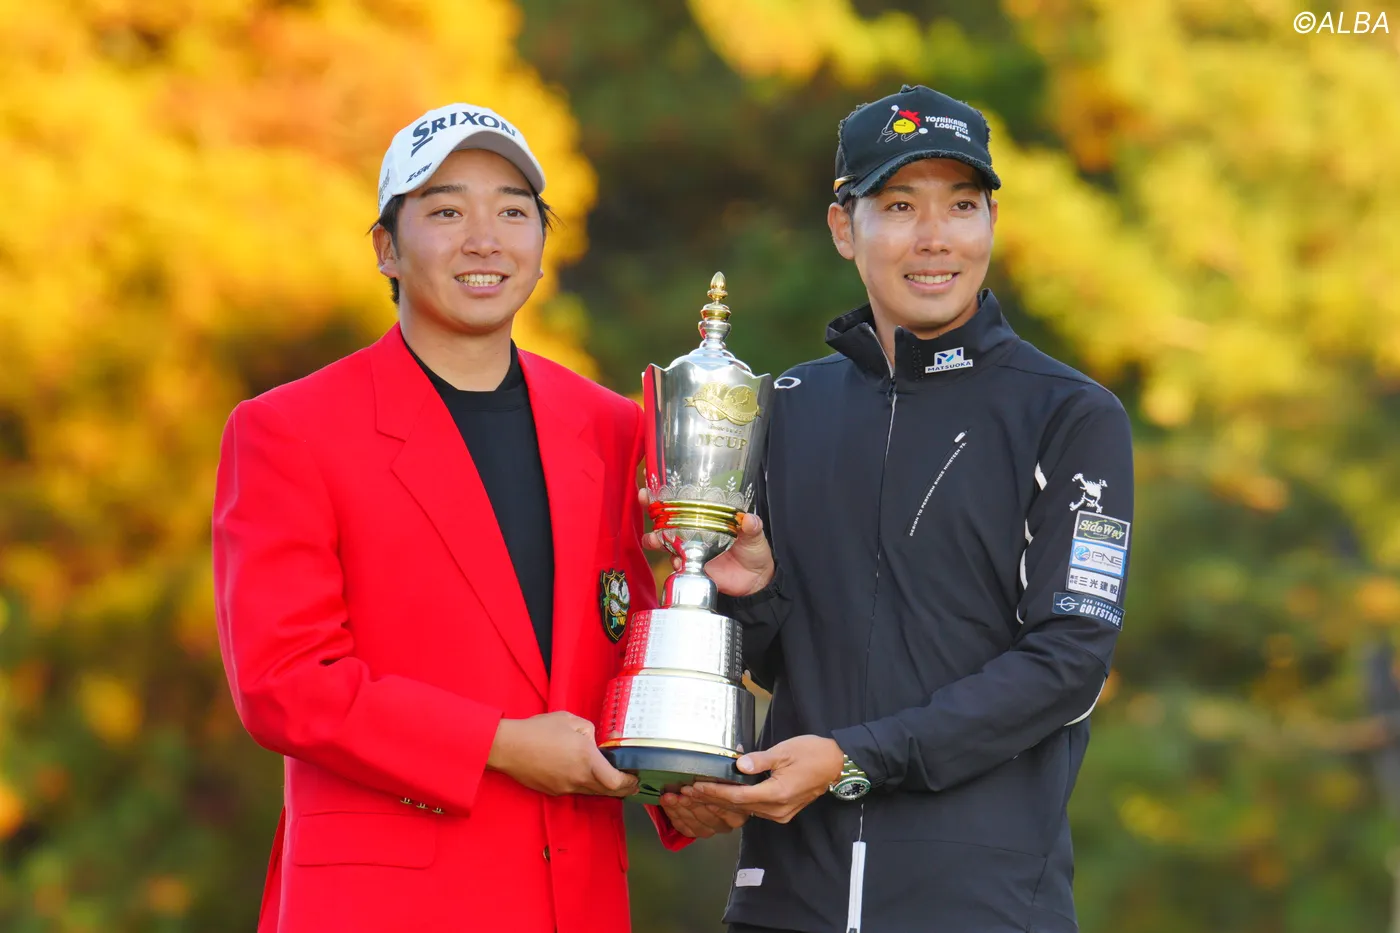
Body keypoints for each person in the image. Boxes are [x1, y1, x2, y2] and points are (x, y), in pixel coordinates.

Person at [211, 103, 718, 933]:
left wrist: (682, 780)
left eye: (513, 212)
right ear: (387, 248)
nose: (485, 240)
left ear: (543, 245)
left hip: (577, 896)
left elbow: (625, 637)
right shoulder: (289, 430)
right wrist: (502, 743)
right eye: (446, 212)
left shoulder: (612, 425)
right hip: (384, 905)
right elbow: (285, 682)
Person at [669, 85, 1136, 932]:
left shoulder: (1069, 414)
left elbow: (1068, 665)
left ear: (991, 221)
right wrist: (752, 592)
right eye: (898, 205)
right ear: (843, 228)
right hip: (785, 900)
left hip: (981, 906)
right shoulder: (787, 405)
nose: (935, 237)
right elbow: (778, 661)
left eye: (961, 204)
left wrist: (854, 757)